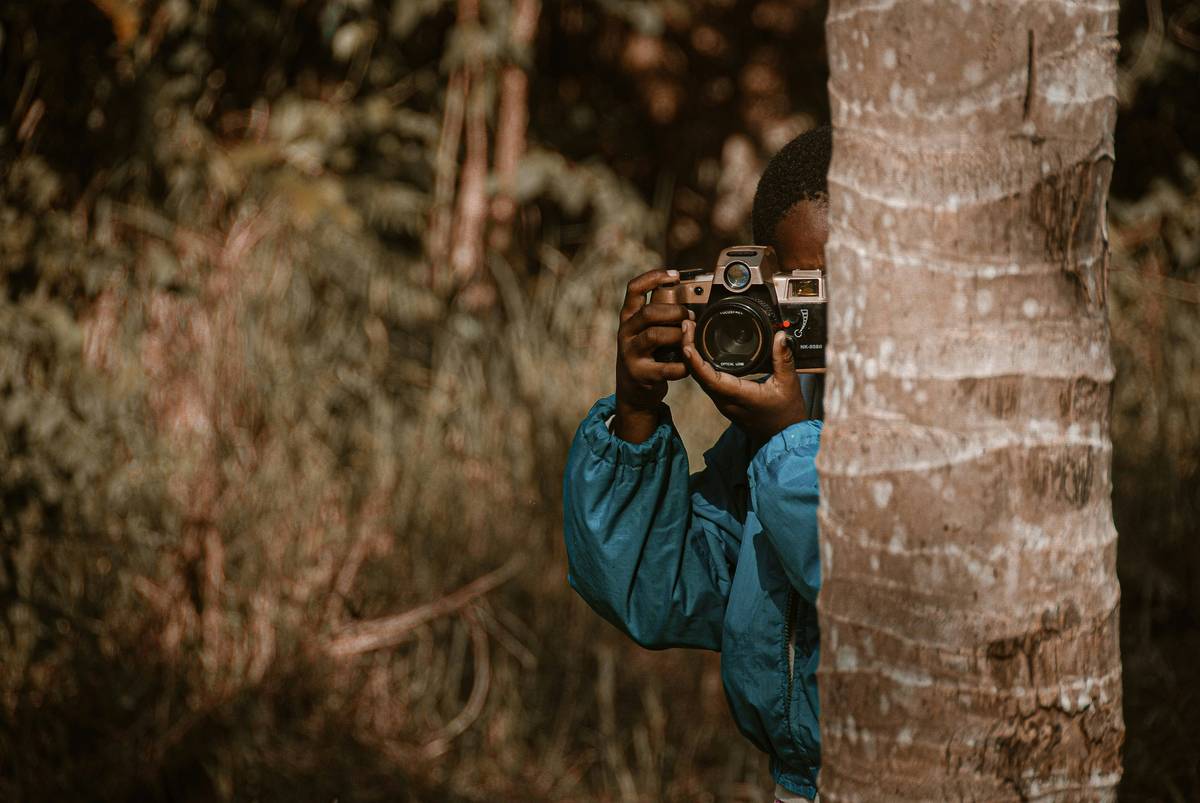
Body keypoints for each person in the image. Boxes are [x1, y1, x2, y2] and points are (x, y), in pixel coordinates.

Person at [561, 126, 832, 802]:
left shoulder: (955, 426)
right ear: (771, 288)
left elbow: (863, 583)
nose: (840, 321)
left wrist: (788, 439)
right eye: (809, 293)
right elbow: (655, 592)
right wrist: (638, 409)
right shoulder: (783, 421)